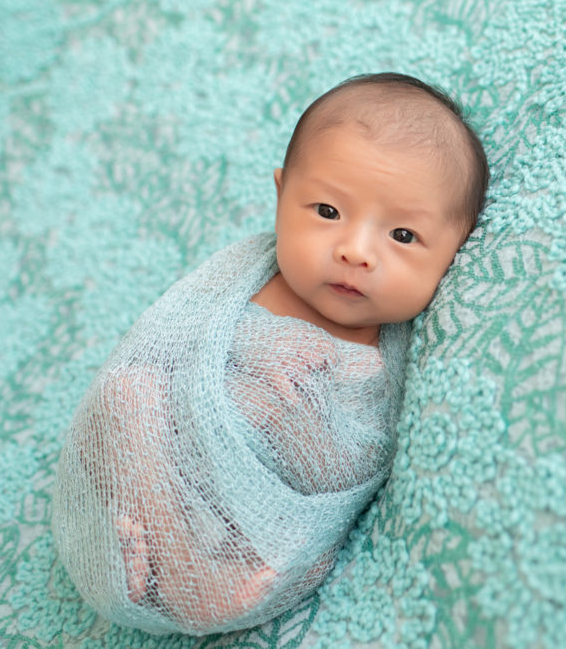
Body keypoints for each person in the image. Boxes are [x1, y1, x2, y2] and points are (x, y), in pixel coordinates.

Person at [54, 72, 489, 634]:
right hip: (165, 474)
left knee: (255, 410)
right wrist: (260, 348)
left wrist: (291, 401)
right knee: (125, 391)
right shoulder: (241, 275)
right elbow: (170, 343)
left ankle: (198, 571)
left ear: (457, 251)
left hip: (257, 526)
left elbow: (356, 463)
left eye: (402, 236)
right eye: (328, 212)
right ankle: (174, 550)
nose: (355, 252)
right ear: (282, 195)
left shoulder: (390, 355)